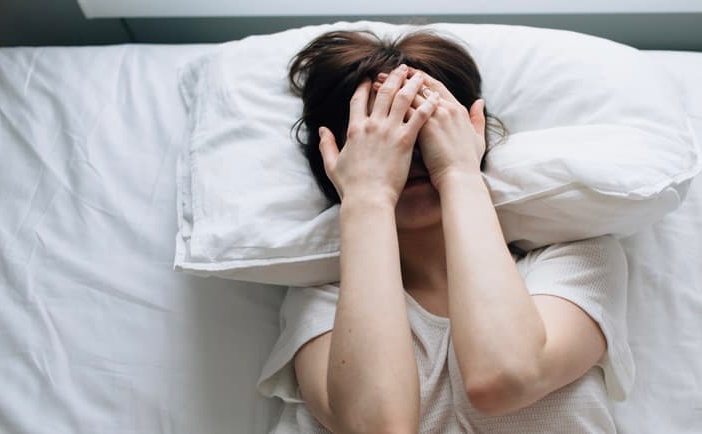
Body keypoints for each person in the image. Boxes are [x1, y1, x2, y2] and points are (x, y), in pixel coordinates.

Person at [257, 28, 634, 433]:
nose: (411, 149)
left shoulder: (575, 261)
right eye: (383, 134)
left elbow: (504, 378)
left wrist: (458, 172)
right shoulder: (323, 304)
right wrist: (368, 194)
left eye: (427, 124)